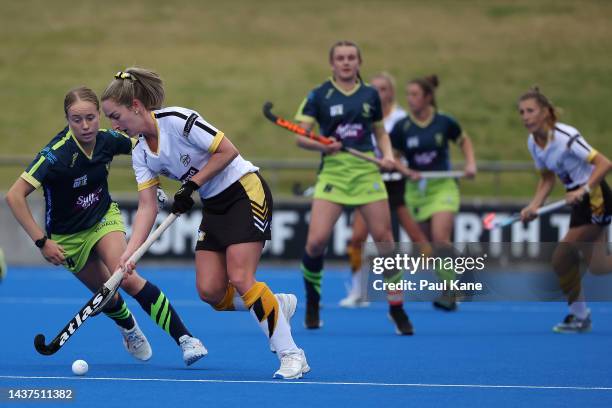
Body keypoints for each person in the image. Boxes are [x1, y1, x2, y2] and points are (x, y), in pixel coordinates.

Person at [101, 68, 309, 379]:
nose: (114, 125)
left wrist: (192, 184)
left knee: (241, 277)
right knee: (211, 292)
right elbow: (146, 207)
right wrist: (130, 254)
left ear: (135, 106)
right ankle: (273, 305)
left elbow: (228, 151)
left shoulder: (176, 120)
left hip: (243, 191)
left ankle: (291, 355)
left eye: (115, 116)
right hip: (213, 205)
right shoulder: (141, 152)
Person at [5, 87, 206, 365]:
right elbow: (14, 196)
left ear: (99, 115)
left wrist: (152, 186)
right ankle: (129, 328)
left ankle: (186, 340)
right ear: (67, 119)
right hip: (67, 237)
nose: (85, 126)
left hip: (103, 219)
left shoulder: (108, 141)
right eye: (77, 119)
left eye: (90, 117)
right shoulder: (55, 155)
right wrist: (42, 242)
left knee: (126, 277)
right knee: (107, 297)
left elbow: (146, 147)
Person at [295, 41, 413, 335]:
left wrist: (386, 155)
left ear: (359, 62)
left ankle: (396, 308)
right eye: (340, 58)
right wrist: (323, 144)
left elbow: (380, 132)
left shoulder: (370, 95)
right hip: (334, 174)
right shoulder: (318, 95)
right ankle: (313, 303)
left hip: (365, 174)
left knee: (385, 242)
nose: (346, 62)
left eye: (351, 58)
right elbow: (301, 137)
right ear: (332, 64)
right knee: (315, 243)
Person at [518, 87, 612, 333]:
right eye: (521, 112)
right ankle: (580, 317)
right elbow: (547, 179)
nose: (525, 116)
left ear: (546, 112)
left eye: (530, 111)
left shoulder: (565, 136)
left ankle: (579, 317)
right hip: (578, 201)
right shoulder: (533, 143)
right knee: (600, 266)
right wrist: (534, 206)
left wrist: (584, 189)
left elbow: (604, 163)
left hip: (595, 197)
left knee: (561, 257)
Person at [342, 72, 430, 308]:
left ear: (391, 92)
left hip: (395, 185)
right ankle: (358, 291)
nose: (379, 94)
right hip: (370, 183)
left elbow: (401, 150)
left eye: (383, 89)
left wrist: (395, 162)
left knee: (418, 238)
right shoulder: (365, 115)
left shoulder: (401, 119)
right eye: (375, 89)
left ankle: (447, 287)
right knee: (357, 238)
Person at [390, 75, 477, 311]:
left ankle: (454, 285)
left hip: (443, 186)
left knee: (440, 238)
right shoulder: (402, 127)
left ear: (428, 97)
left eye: (415, 95)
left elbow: (464, 141)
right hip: (417, 190)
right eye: (408, 94)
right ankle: (451, 287)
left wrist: (470, 164)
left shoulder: (444, 122)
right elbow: (394, 157)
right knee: (430, 247)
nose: (410, 99)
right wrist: (406, 170)